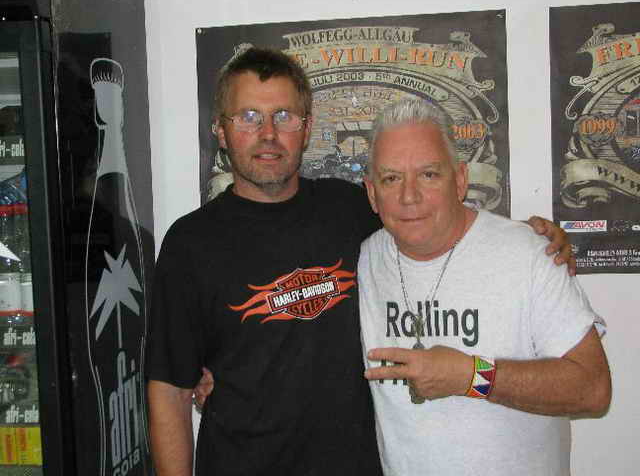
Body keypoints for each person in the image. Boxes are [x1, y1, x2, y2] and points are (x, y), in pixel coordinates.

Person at [147, 48, 575, 476]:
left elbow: (433, 217)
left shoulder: (350, 208)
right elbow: (169, 391)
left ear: (306, 127)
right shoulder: (190, 244)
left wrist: (528, 236)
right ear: (221, 131)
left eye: (284, 116)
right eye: (248, 117)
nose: (268, 134)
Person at [359, 98, 611, 475]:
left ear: (460, 180)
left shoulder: (527, 253)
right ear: (371, 193)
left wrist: (472, 376)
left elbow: (593, 389)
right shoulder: (365, 257)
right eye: (391, 178)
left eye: (429, 174)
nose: (409, 196)